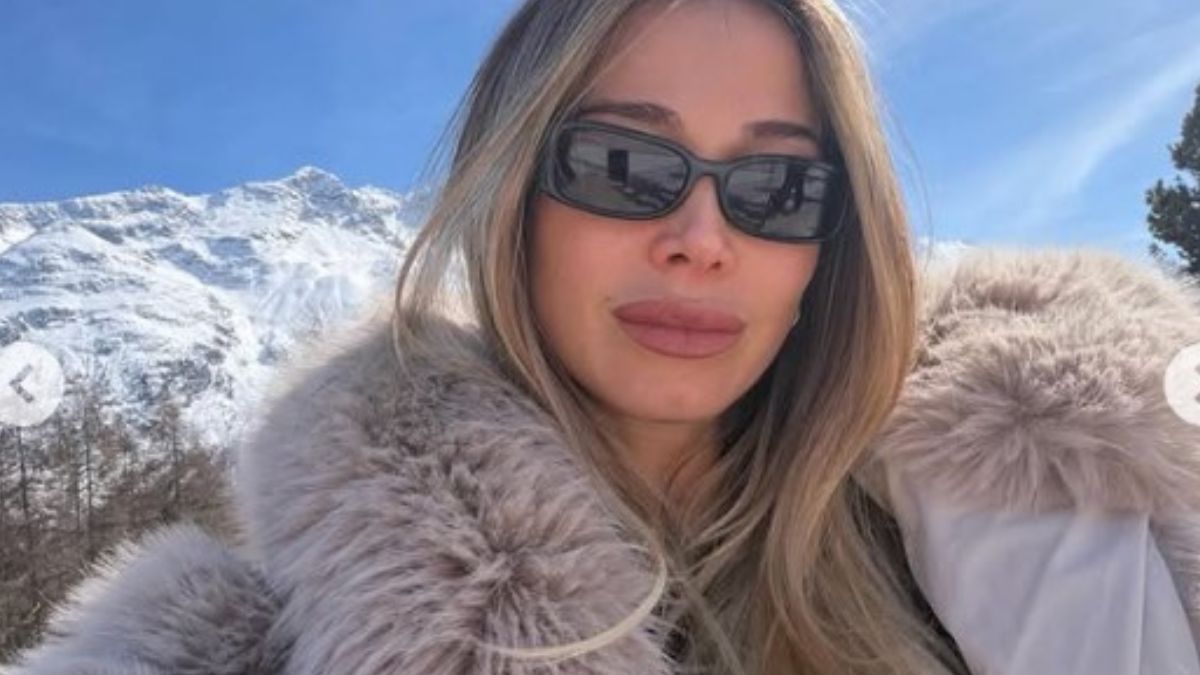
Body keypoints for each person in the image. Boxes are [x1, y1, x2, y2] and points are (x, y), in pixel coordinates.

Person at [10, 0, 1200, 673]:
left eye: (778, 187)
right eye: (624, 164)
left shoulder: (1075, 555)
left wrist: (1055, 551)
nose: (701, 239)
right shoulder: (258, 645)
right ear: (511, 200)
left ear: (830, 248)